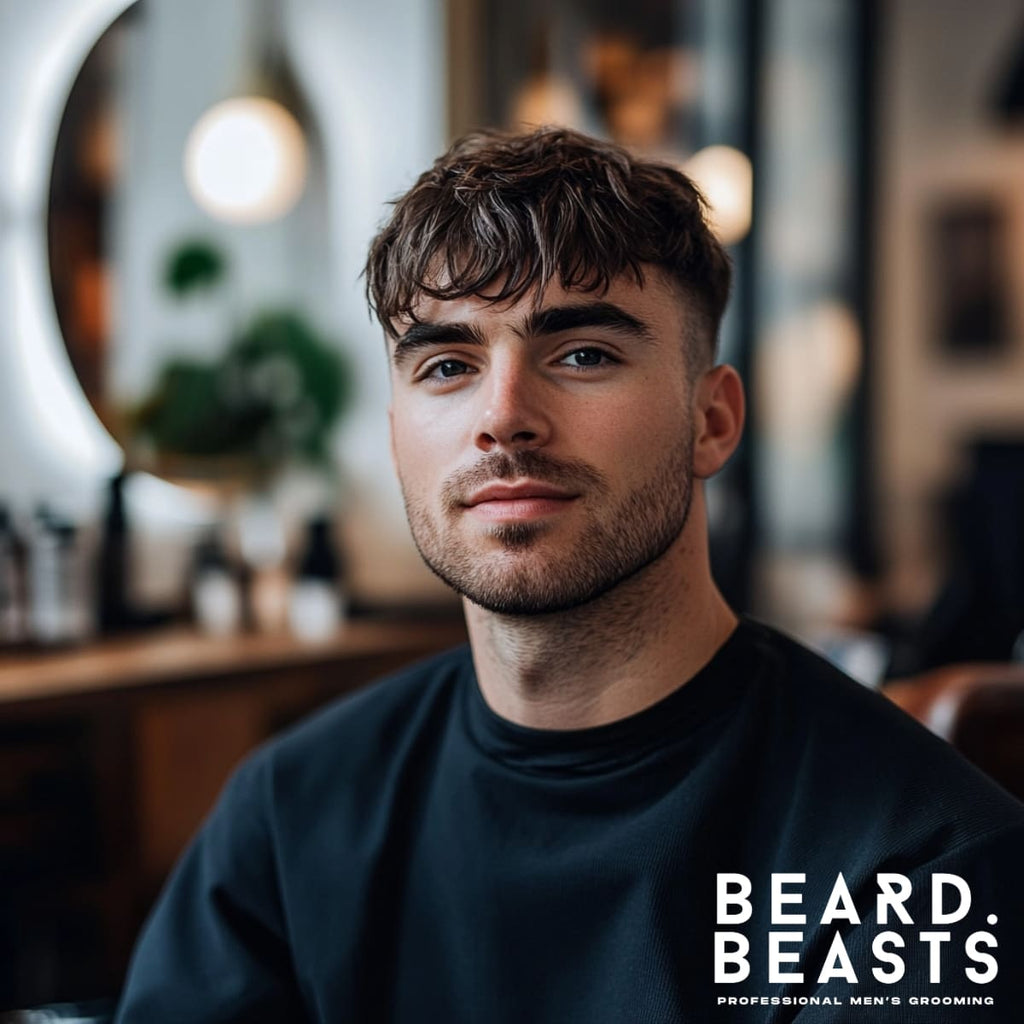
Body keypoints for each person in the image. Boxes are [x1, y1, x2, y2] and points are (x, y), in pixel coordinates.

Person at [114, 128, 1024, 1023]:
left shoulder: (922, 872)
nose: (503, 416)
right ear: (395, 437)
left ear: (712, 421)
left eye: (583, 354)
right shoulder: (288, 818)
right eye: (447, 365)